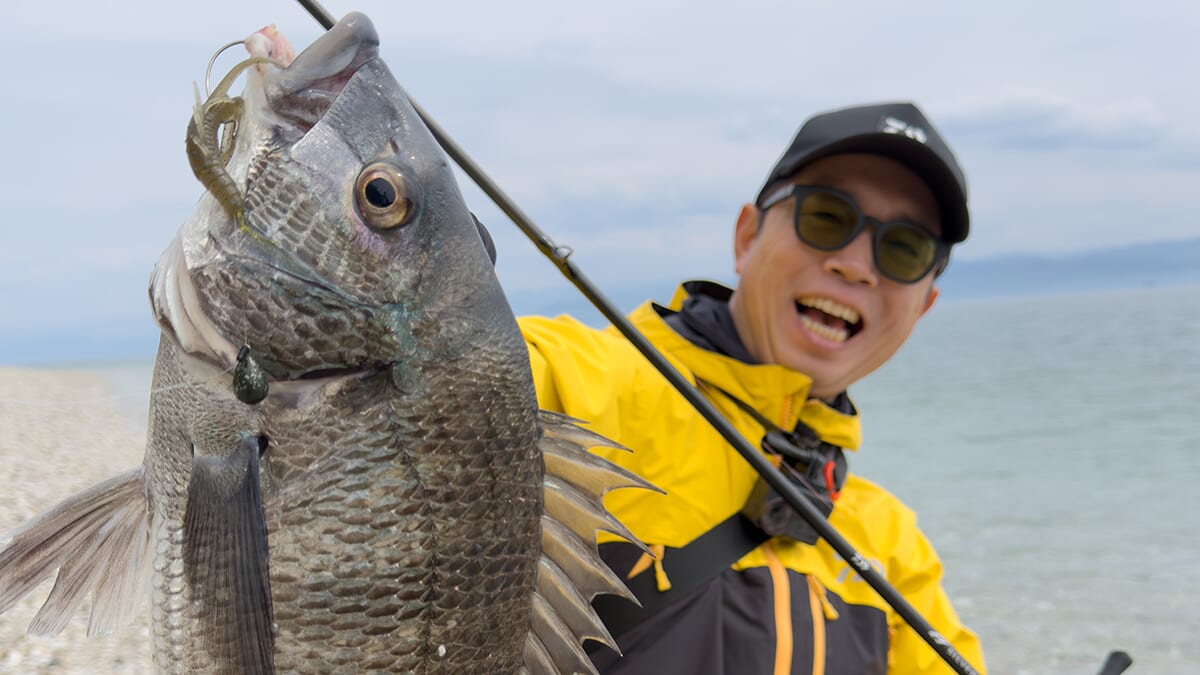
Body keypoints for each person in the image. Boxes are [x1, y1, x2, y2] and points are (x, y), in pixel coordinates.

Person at [519, 102, 986, 674]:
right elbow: (432, 379)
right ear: (746, 236)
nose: (857, 265)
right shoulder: (579, 379)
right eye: (827, 217)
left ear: (924, 307)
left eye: (905, 249)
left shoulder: (889, 544)